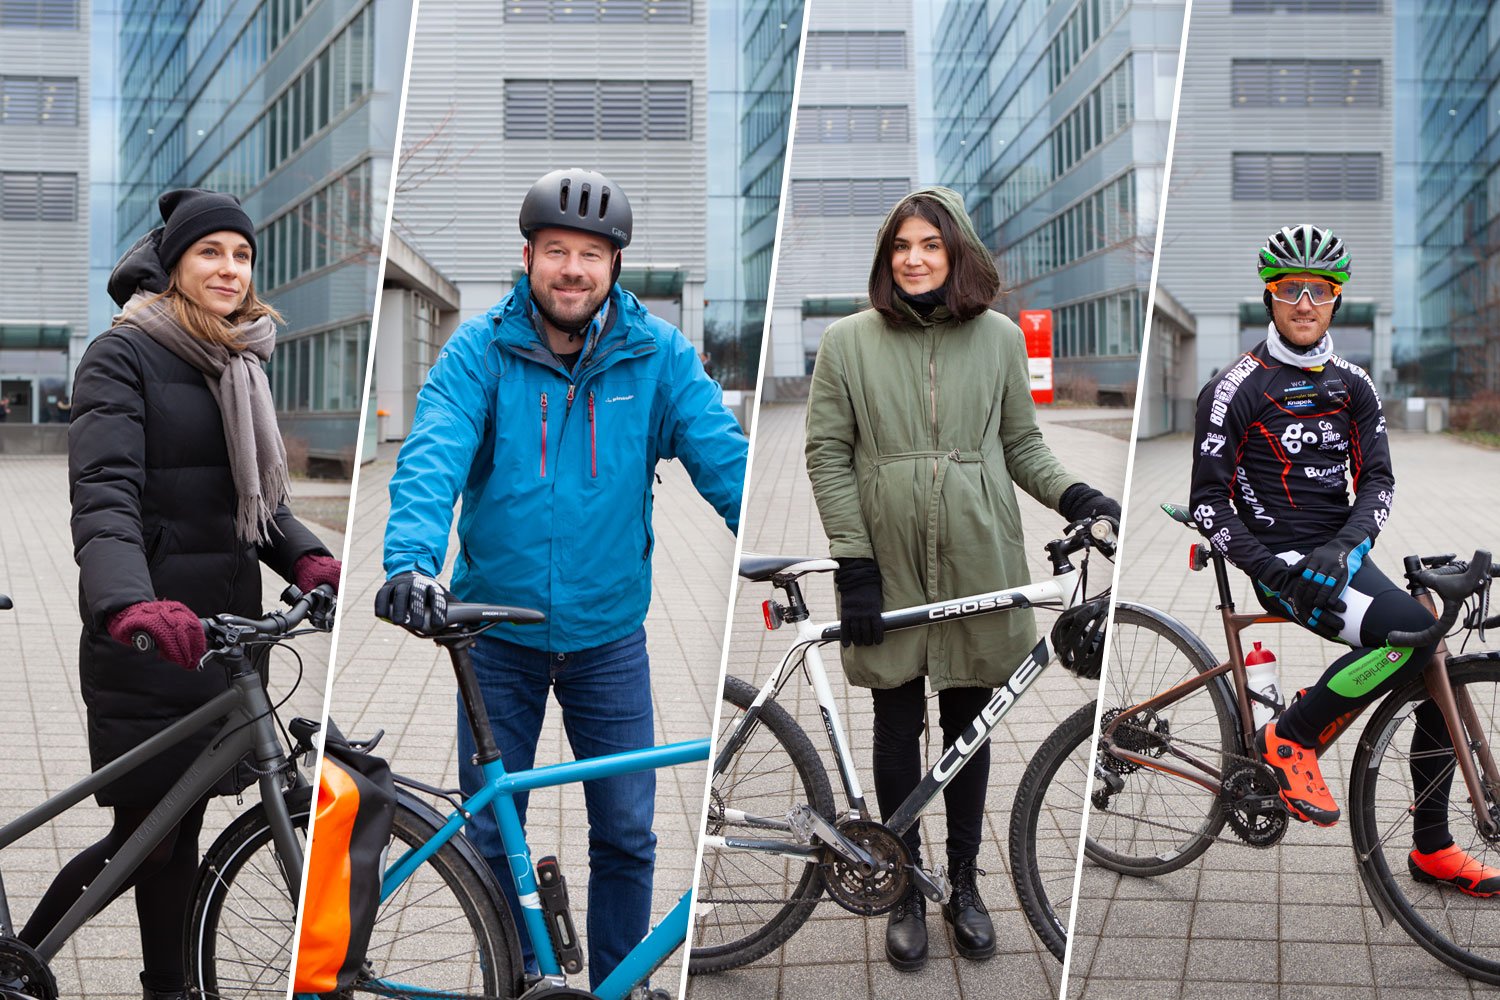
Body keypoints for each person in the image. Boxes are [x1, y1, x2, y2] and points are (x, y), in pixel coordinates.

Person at [374, 168, 746, 993]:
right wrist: (407, 562)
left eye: (589, 254)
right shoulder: (481, 350)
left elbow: (728, 461)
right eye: (555, 252)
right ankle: (513, 982)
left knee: (627, 830)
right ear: (527, 257)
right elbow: (432, 452)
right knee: (488, 837)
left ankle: (620, 981)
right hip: (493, 638)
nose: (571, 270)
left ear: (615, 265)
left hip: (608, 638)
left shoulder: (658, 357)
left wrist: (772, 540)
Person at [21, 188, 343, 1000]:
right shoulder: (123, 354)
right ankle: (21, 961)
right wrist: (129, 602)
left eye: (241, 254)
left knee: (177, 835)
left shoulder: (237, 356)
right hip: (151, 636)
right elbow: (104, 495)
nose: (229, 268)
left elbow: (253, 501)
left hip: (223, 638)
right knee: (148, 838)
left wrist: (305, 558)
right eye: (210, 253)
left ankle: (169, 986)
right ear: (173, 265)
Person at [803, 187, 1122, 971]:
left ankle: (967, 886)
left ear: (957, 254)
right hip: (889, 560)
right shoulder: (848, 342)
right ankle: (904, 886)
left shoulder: (1000, 339)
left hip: (981, 554)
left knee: (970, 725)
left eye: (930, 246)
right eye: (902, 246)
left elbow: (1021, 447)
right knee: (895, 717)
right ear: (888, 257)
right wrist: (854, 563)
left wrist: (1075, 495)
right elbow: (827, 454)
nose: (914, 258)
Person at [1190, 223, 1498, 895]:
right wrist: (1275, 569)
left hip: (1340, 557)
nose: (1305, 302)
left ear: (1337, 299)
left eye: (1321, 290)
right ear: (1269, 295)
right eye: (1291, 289)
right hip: (1278, 565)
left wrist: (1342, 547)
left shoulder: (1353, 385)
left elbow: (1380, 483)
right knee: (1411, 638)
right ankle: (1292, 736)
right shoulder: (1234, 388)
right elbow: (1209, 507)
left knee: (1430, 649)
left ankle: (1433, 848)